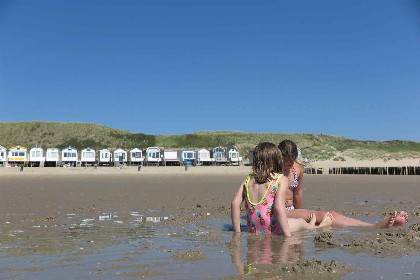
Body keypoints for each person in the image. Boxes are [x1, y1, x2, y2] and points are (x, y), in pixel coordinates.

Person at [278, 139, 409, 228]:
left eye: (289, 164)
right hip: (280, 210)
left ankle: (371, 226)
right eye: (283, 164)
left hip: (292, 210)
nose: (286, 168)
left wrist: (300, 212)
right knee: (324, 216)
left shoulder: (299, 168)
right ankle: (376, 226)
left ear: (295, 160)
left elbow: (297, 193)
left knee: (331, 214)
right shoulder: (273, 169)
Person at [231, 142, 333, 237]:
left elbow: (234, 203)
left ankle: (309, 224)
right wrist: (287, 235)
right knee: (301, 223)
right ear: (277, 161)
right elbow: (279, 207)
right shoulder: (280, 179)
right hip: (274, 228)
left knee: (292, 220)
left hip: (253, 229)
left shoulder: (248, 180)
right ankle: (319, 226)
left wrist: (237, 232)